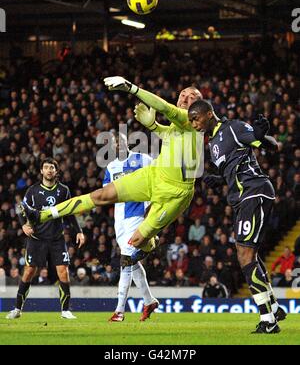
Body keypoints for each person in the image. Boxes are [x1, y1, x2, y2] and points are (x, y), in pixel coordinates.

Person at [20, 78, 205, 266]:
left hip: (175, 193)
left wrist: (132, 88)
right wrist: (153, 126)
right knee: (101, 195)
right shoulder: (179, 124)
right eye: (183, 95)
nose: (186, 98)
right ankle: (41, 215)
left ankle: (150, 244)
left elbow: (164, 107)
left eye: (192, 98)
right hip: (154, 175)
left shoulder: (189, 120)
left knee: (138, 242)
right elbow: (168, 134)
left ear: (199, 107)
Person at [188, 99, 286, 334]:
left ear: (209, 114)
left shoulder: (232, 127)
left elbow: (271, 146)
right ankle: (274, 307)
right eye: (191, 120)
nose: (193, 124)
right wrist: (220, 179)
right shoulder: (212, 144)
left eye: (196, 118)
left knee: (244, 255)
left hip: (255, 191)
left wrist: (262, 136)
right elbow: (237, 166)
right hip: (243, 197)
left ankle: (268, 320)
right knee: (249, 253)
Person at [7, 158, 84, 320]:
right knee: (28, 272)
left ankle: (65, 310)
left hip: (57, 239)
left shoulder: (63, 190)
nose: (49, 170)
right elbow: (21, 208)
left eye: (52, 167)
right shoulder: (33, 190)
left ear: (56, 171)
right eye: (46, 167)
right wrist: (23, 225)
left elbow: (69, 212)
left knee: (63, 272)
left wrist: (78, 231)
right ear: (41, 171)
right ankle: (17, 309)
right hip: (37, 238)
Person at [104, 133, 158, 322]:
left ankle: (119, 311)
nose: (118, 144)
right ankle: (149, 300)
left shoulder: (143, 159)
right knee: (132, 262)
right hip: (120, 219)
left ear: (127, 142)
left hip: (138, 214)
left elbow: (159, 177)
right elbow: (107, 192)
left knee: (126, 259)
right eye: (114, 142)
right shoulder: (111, 167)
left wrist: (153, 204)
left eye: (121, 140)